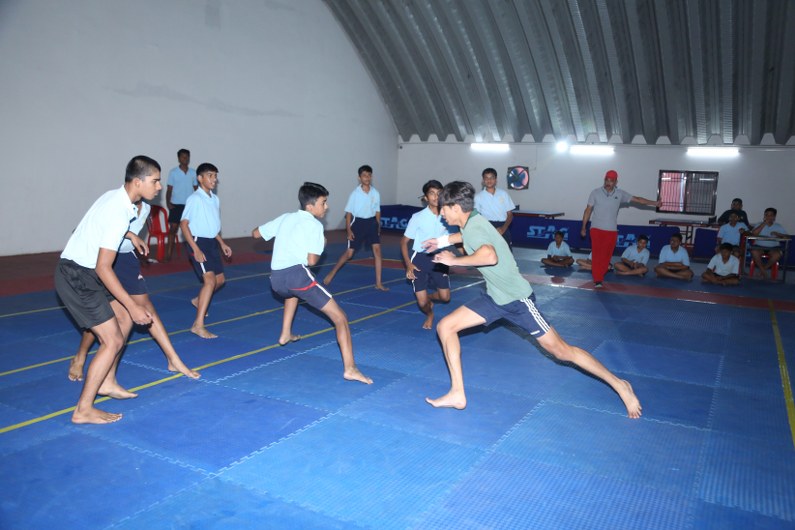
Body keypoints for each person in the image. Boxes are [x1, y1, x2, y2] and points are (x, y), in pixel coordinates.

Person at [422, 181, 642, 418]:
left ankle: (620, 384)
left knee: (562, 351)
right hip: (495, 297)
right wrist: (442, 241)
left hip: (517, 301)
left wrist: (454, 261)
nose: (441, 213)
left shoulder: (474, 228)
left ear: (456, 208)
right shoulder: (472, 219)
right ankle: (457, 393)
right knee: (446, 327)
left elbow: (489, 256)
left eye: (444, 208)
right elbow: (465, 235)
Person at [54, 155, 161, 424]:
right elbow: (104, 267)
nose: (159, 187)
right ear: (138, 182)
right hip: (78, 275)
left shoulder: (114, 197)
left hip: (87, 272)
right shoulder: (119, 211)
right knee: (113, 339)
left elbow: (99, 227)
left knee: (123, 319)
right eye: (155, 181)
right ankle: (83, 409)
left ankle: (107, 381)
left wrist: (130, 234)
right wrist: (133, 305)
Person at [252, 182, 372, 384]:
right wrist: (322, 244)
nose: (326, 207)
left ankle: (285, 333)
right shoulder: (315, 226)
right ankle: (350, 368)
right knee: (340, 317)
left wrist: (284, 235)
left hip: (276, 280)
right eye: (323, 203)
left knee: (292, 293)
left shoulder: (286, 217)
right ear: (310, 206)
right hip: (297, 276)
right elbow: (312, 261)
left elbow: (255, 233)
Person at [68, 199, 200, 383]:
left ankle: (173, 359)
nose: (158, 187)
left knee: (146, 307)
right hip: (105, 257)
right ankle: (81, 356)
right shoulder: (117, 202)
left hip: (126, 259)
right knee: (103, 317)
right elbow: (101, 226)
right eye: (154, 183)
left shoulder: (146, 209)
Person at [580, 170, 659, 288]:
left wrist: (655, 203)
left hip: (611, 231)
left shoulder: (620, 194)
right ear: (604, 180)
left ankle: (600, 273)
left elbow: (638, 199)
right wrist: (583, 227)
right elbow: (588, 210)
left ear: (616, 182)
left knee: (607, 256)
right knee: (597, 254)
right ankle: (598, 279)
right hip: (596, 229)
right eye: (607, 180)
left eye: (611, 181)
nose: (608, 183)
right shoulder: (595, 193)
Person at [180, 162, 231, 339]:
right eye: (210, 175)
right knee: (209, 281)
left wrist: (222, 243)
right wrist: (195, 249)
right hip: (198, 241)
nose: (214, 179)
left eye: (215, 176)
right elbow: (184, 225)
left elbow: (212, 225)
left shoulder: (215, 199)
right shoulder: (195, 199)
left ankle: (198, 300)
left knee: (220, 280)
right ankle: (198, 325)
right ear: (200, 178)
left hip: (211, 242)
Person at [323, 165, 388, 290]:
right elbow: (348, 213)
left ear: (371, 176)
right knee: (349, 253)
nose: (367, 177)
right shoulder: (355, 194)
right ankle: (332, 272)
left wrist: (378, 225)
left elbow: (377, 211)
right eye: (364, 175)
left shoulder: (375, 193)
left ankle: (379, 283)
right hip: (358, 224)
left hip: (372, 223)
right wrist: (348, 230)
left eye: (369, 175)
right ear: (359, 178)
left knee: (377, 252)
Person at [401, 180, 453, 329]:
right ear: (425, 197)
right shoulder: (417, 217)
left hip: (439, 259)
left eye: (439, 193)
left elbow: (456, 238)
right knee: (422, 303)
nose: (436, 197)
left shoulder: (449, 216)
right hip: (419, 259)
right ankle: (429, 314)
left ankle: (429, 297)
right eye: (432, 193)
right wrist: (408, 264)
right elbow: (404, 242)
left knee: (445, 297)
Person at [164, 149, 197, 261]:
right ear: (179, 158)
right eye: (183, 157)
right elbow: (169, 189)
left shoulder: (193, 172)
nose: (185, 159)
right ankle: (168, 255)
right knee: (173, 229)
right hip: (176, 205)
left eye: (187, 156)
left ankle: (194, 253)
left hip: (189, 206)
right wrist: (168, 203)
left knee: (192, 230)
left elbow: (196, 189)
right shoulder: (173, 172)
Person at [474, 167, 515, 250]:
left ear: (496, 180)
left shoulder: (503, 194)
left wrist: (503, 229)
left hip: (503, 226)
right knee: (489, 252)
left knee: (506, 252)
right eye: (486, 178)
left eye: (491, 177)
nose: (489, 180)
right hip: (487, 227)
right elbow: (476, 217)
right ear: (483, 180)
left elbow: (510, 215)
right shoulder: (478, 197)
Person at [749, 207, 789, 279]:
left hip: (773, 248)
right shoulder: (759, 224)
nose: (768, 217)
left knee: (778, 254)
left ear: (774, 217)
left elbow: (786, 236)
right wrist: (764, 224)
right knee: (754, 251)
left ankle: (762, 270)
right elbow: (753, 234)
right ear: (764, 216)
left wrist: (778, 234)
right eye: (766, 215)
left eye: (771, 215)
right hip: (759, 247)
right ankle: (763, 271)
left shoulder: (778, 226)